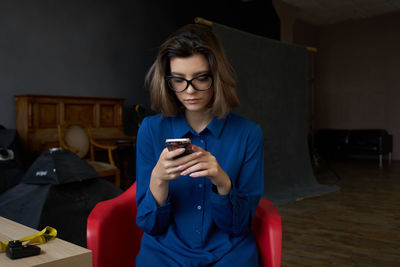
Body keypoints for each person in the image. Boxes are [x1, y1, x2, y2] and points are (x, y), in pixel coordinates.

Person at [135, 23, 264, 266]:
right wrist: (158, 179)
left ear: (217, 76)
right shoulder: (150, 130)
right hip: (164, 252)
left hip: (230, 252)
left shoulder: (249, 134)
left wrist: (223, 183)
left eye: (201, 78)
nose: (189, 91)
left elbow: (239, 226)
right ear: (167, 80)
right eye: (178, 80)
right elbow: (150, 225)